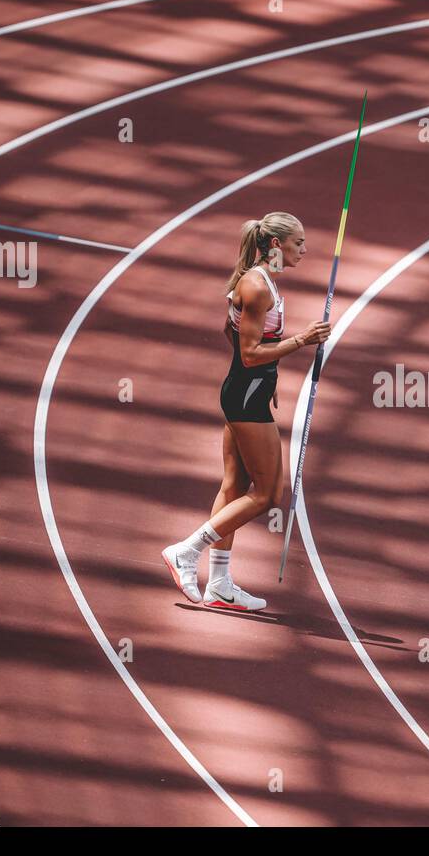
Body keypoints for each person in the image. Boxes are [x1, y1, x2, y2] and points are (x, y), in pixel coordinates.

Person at [162, 213, 330, 610]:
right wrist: (302, 340)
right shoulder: (257, 286)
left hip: (246, 391)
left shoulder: (259, 280)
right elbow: (251, 353)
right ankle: (186, 551)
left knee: (234, 487)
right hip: (245, 398)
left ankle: (219, 582)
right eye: (298, 243)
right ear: (276, 245)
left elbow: (231, 332)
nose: (305, 250)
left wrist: (269, 378)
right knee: (269, 494)